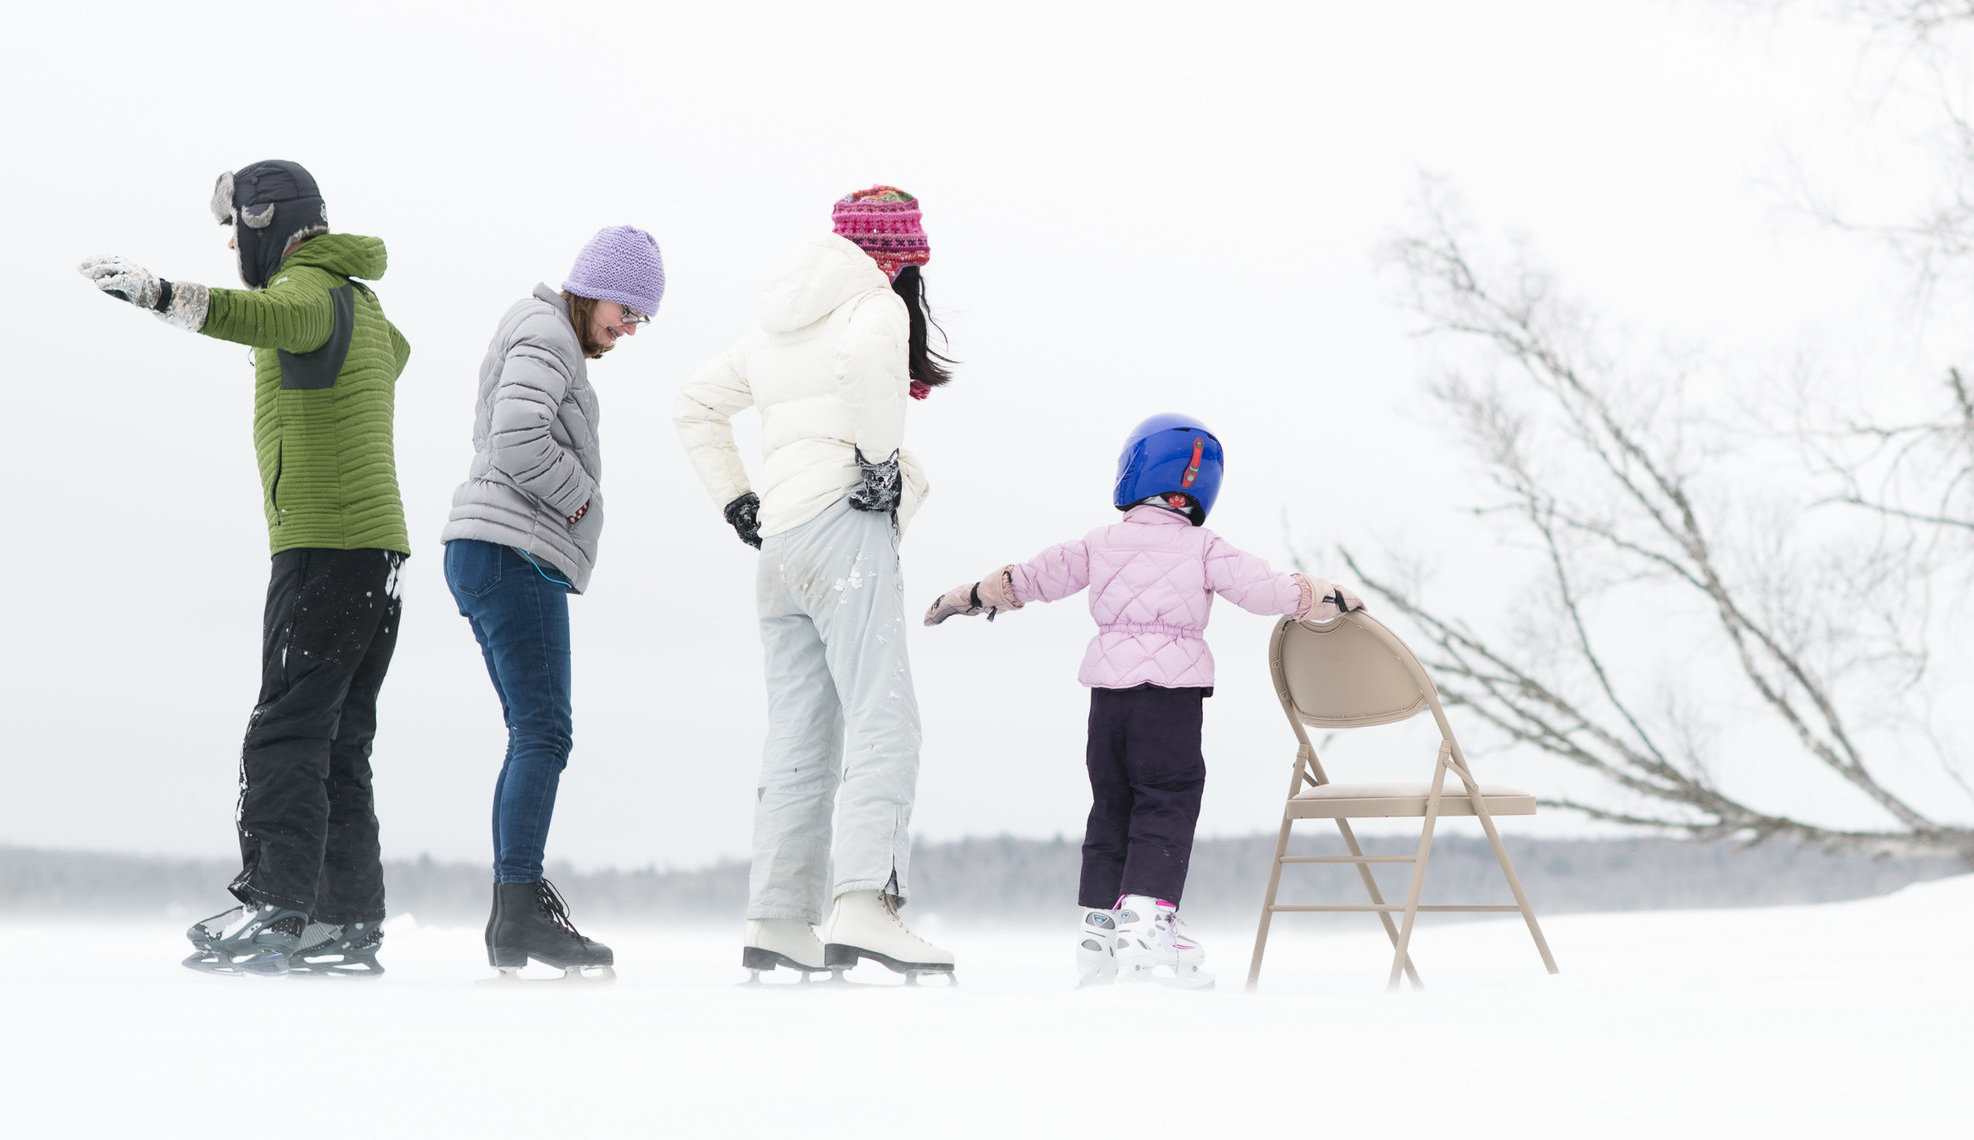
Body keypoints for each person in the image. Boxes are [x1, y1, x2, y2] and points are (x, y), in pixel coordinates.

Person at [79, 161, 412, 976]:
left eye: (239, 227)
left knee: (286, 730)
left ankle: (275, 906)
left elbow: (261, 315)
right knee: (339, 741)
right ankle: (346, 917)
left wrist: (162, 295)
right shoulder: (363, 305)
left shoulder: (307, 291)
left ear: (270, 221)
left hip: (326, 547)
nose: (233, 243)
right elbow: (396, 354)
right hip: (379, 556)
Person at [925, 413, 1359, 990]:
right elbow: (1266, 592)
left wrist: (971, 595)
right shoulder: (1205, 547)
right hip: (1169, 698)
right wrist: (1325, 595)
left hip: (1107, 698)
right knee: (1167, 798)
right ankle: (1150, 924)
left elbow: (1032, 578)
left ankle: (1099, 928)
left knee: (1112, 802)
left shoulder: (1097, 544)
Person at [672, 186, 956, 983]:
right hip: (843, 527)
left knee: (799, 730)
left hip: (783, 543)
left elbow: (693, 402)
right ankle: (866, 898)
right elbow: (872, 359)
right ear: (897, 253)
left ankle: (779, 915)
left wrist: (737, 495)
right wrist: (875, 459)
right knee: (883, 712)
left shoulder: (776, 322)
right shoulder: (874, 304)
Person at [442, 225, 664, 980]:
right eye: (626, 310)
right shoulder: (545, 330)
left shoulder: (544, 334)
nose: (628, 329)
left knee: (534, 731)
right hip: (511, 550)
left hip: (493, 549)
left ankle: (516, 911)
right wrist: (578, 503)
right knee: (544, 732)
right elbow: (517, 436)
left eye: (638, 319)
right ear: (593, 285)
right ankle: (518, 908)